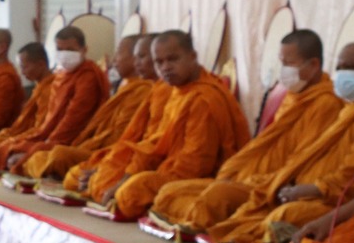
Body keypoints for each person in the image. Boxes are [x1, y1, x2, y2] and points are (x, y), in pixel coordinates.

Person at [158, 41, 354, 243]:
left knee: (280, 217)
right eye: (339, 67)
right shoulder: (349, 107)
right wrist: (283, 182)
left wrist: (311, 189)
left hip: (334, 201)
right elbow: (303, 156)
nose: (341, 74)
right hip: (284, 184)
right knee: (177, 192)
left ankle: (263, 235)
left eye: (349, 68)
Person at [142, 29, 342, 235]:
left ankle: (215, 221)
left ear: (314, 65)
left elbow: (303, 160)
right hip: (250, 177)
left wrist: (262, 182)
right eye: (281, 63)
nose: (283, 71)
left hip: (271, 185)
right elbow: (267, 144)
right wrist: (237, 171)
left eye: (288, 64)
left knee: (215, 197)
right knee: (167, 193)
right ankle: (214, 217)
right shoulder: (294, 96)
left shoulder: (326, 103)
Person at [76, 30, 249, 218]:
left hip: (202, 177)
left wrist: (148, 177)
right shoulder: (178, 91)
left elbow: (196, 164)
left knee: (132, 192)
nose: (165, 67)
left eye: (172, 59)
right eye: (159, 62)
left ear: (192, 57)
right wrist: (128, 175)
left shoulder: (203, 98)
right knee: (108, 178)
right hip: (169, 170)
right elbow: (156, 143)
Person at [31, 36, 160, 184]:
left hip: (115, 154)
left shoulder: (143, 90)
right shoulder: (128, 87)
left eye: (118, 53)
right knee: (42, 155)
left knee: (60, 157)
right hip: (100, 149)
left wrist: (97, 154)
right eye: (59, 49)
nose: (114, 59)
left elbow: (122, 138)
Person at [0, 27, 107, 172]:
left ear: (84, 50)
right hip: (48, 135)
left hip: (75, 140)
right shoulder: (62, 76)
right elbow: (49, 122)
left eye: (70, 49)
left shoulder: (88, 76)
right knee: (5, 145)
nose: (64, 54)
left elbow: (73, 119)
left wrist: (46, 143)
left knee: (42, 155)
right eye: (59, 49)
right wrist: (37, 140)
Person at [0, 43, 54, 168]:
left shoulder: (51, 89)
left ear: (41, 64)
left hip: (39, 139)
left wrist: (12, 139)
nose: (22, 72)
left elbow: (42, 129)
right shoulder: (40, 87)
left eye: (25, 67)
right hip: (24, 134)